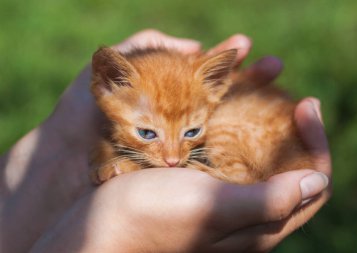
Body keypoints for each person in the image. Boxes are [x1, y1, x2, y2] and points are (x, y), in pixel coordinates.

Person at [0, 29, 331, 253]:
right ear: (107, 85)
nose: (173, 157)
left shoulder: (210, 100)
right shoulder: (118, 95)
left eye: (191, 133)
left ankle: (236, 175)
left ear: (217, 85)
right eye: (148, 134)